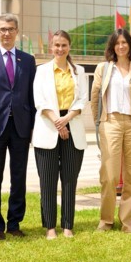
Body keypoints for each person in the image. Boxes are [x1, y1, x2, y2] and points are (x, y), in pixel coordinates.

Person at [0, 14, 37, 240]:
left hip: (21, 128)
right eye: (2, 29)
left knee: (18, 177)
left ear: (17, 31)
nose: (6, 33)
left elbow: (32, 97)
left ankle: (14, 223)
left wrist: (32, 126)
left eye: (11, 29)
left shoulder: (27, 60)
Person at [91, 28, 131, 233]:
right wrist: (98, 122)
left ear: (130, 45)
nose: (121, 46)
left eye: (125, 42)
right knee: (109, 174)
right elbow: (95, 97)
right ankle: (105, 220)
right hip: (111, 122)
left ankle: (127, 221)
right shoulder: (103, 68)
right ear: (112, 46)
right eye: (117, 43)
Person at [31, 30, 88, 239]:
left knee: (69, 180)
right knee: (47, 180)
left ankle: (67, 225)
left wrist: (66, 120)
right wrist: (57, 121)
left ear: (69, 47)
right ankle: (50, 228)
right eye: (56, 45)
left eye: (64, 45)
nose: (60, 49)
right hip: (48, 127)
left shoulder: (79, 71)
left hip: (73, 126)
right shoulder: (41, 71)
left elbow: (82, 100)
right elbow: (40, 101)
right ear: (50, 47)